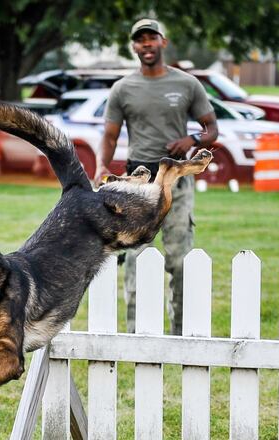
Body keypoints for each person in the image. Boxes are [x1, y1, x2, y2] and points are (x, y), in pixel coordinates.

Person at [95, 18, 218, 335]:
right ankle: (138, 333)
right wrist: (101, 167)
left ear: (163, 42)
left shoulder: (187, 84)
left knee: (179, 258)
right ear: (134, 47)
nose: (146, 44)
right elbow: (109, 136)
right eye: (140, 40)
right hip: (139, 182)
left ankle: (181, 333)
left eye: (152, 38)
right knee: (137, 259)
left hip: (177, 177)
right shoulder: (123, 89)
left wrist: (192, 140)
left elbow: (212, 128)